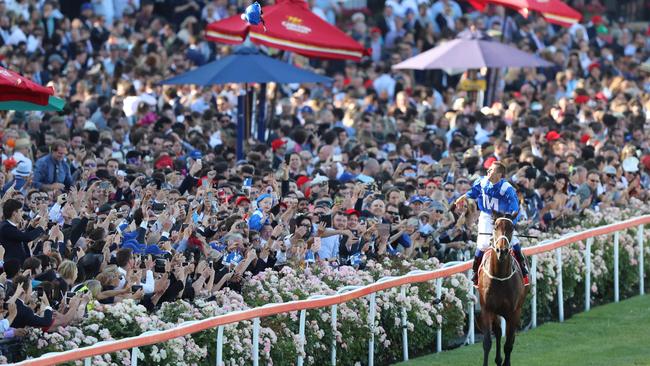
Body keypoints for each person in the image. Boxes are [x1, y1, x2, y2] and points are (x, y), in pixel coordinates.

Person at [454, 161, 529, 287]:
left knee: (513, 241)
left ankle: (523, 270)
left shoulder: (507, 189)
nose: (488, 171)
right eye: (488, 169)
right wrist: (463, 196)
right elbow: (474, 192)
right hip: (487, 215)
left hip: (503, 216)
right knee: (483, 243)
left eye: (492, 170)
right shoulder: (482, 181)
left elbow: (515, 208)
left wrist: (510, 221)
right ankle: (475, 272)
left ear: (499, 174)